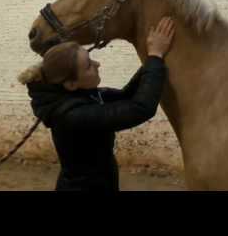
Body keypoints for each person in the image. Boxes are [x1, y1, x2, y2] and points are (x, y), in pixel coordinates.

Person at [18, 17, 175, 191]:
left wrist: (152, 59)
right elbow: (140, 109)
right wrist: (155, 57)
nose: (97, 64)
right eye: (88, 66)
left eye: (91, 59)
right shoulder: (73, 116)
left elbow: (127, 96)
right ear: (71, 84)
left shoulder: (83, 96)